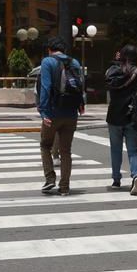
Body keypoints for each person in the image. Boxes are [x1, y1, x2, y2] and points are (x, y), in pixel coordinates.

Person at [37, 37, 84, 195]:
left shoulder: (47, 62)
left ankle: (50, 179)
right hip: (71, 113)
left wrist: (43, 111)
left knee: (45, 145)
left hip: (53, 111)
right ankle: (64, 187)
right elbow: (80, 86)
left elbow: (46, 87)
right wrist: (81, 105)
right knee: (66, 151)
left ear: (49, 49)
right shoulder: (75, 63)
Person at [104, 44, 137, 195]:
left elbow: (107, 82)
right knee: (133, 150)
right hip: (131, 116)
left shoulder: (113, 71)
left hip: (114, 116)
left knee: (115, 150)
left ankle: (116, 180)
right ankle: (136, 175)